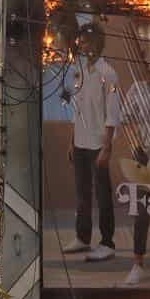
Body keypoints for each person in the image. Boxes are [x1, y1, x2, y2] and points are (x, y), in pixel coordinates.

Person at [60, 24, 119, 263]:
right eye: (80, 42)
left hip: (99, 145)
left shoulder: (109, 74)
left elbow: (112, 113)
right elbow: (77, 109)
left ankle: (107, 243)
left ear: (96, 43)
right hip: (82, 142)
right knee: (82, 193)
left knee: (102, 195)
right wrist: (72, 141)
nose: (82, 46)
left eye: (85, 41)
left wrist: (107, 148)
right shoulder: (80, 71)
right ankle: (82, 238)